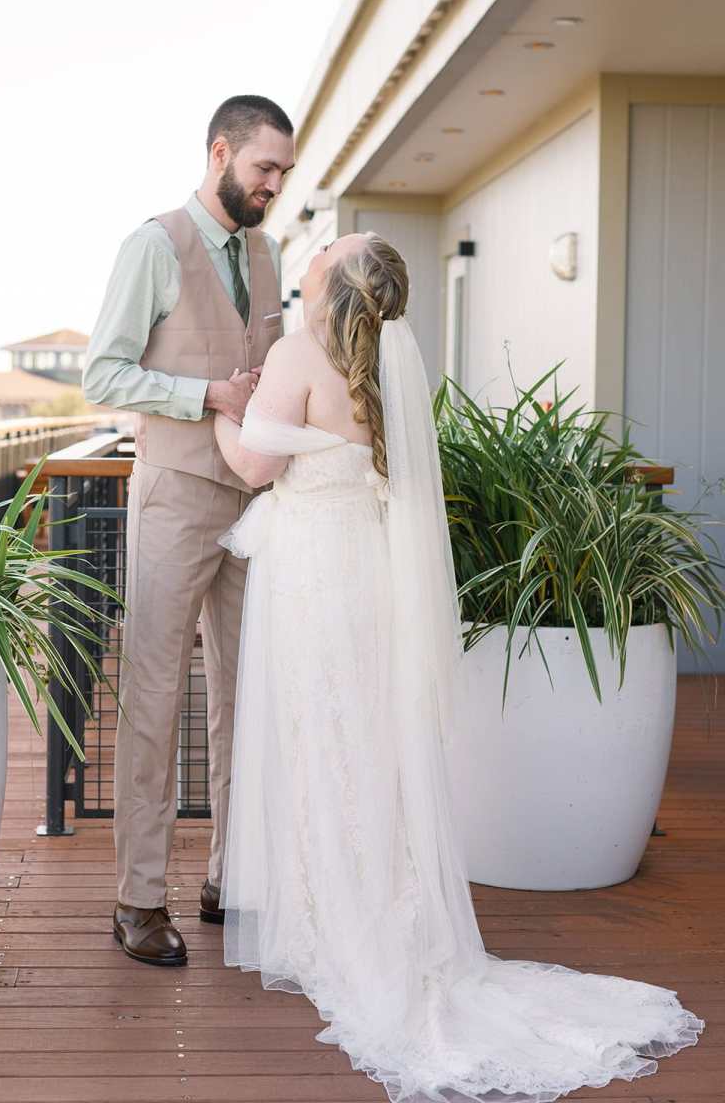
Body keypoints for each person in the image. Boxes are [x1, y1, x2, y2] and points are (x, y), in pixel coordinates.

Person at [211, 231, 705, 1102]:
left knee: (317, 731)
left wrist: (216, 414)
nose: (319, 247)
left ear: (331, 283)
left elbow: (254, 464)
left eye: (333, 245)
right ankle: (374, 907)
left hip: (314, 577)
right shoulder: (394, 362)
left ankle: (330, 920)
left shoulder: (296, 352)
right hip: (367, 570)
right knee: (367, 738)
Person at [83, 95, 295, 967]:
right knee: (157, 697)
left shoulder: (270, 252)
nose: (275, 187)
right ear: (220, 153)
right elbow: (104, 370)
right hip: (174, 496)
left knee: (251, 696)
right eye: (264, 170)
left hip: (257, 507)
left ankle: (227, 879)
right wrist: (205, 395)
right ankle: (138, 902)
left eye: (283, 173)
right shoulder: (153, 244)